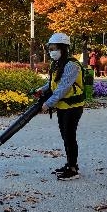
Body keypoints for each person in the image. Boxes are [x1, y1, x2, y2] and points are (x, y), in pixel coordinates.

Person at [34, 33, 85, 181]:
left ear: (63, 48)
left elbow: (63, 88)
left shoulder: (71, 65)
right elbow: (53, 83)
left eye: (54, 48)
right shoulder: (57, 64)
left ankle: (73, 169)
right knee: (65, 136)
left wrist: (47, 103)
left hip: (73, 106)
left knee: (69, 136)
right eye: (50, 48)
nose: (51, 51)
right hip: (63, 106)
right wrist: (41, 90)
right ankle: (70, 164)